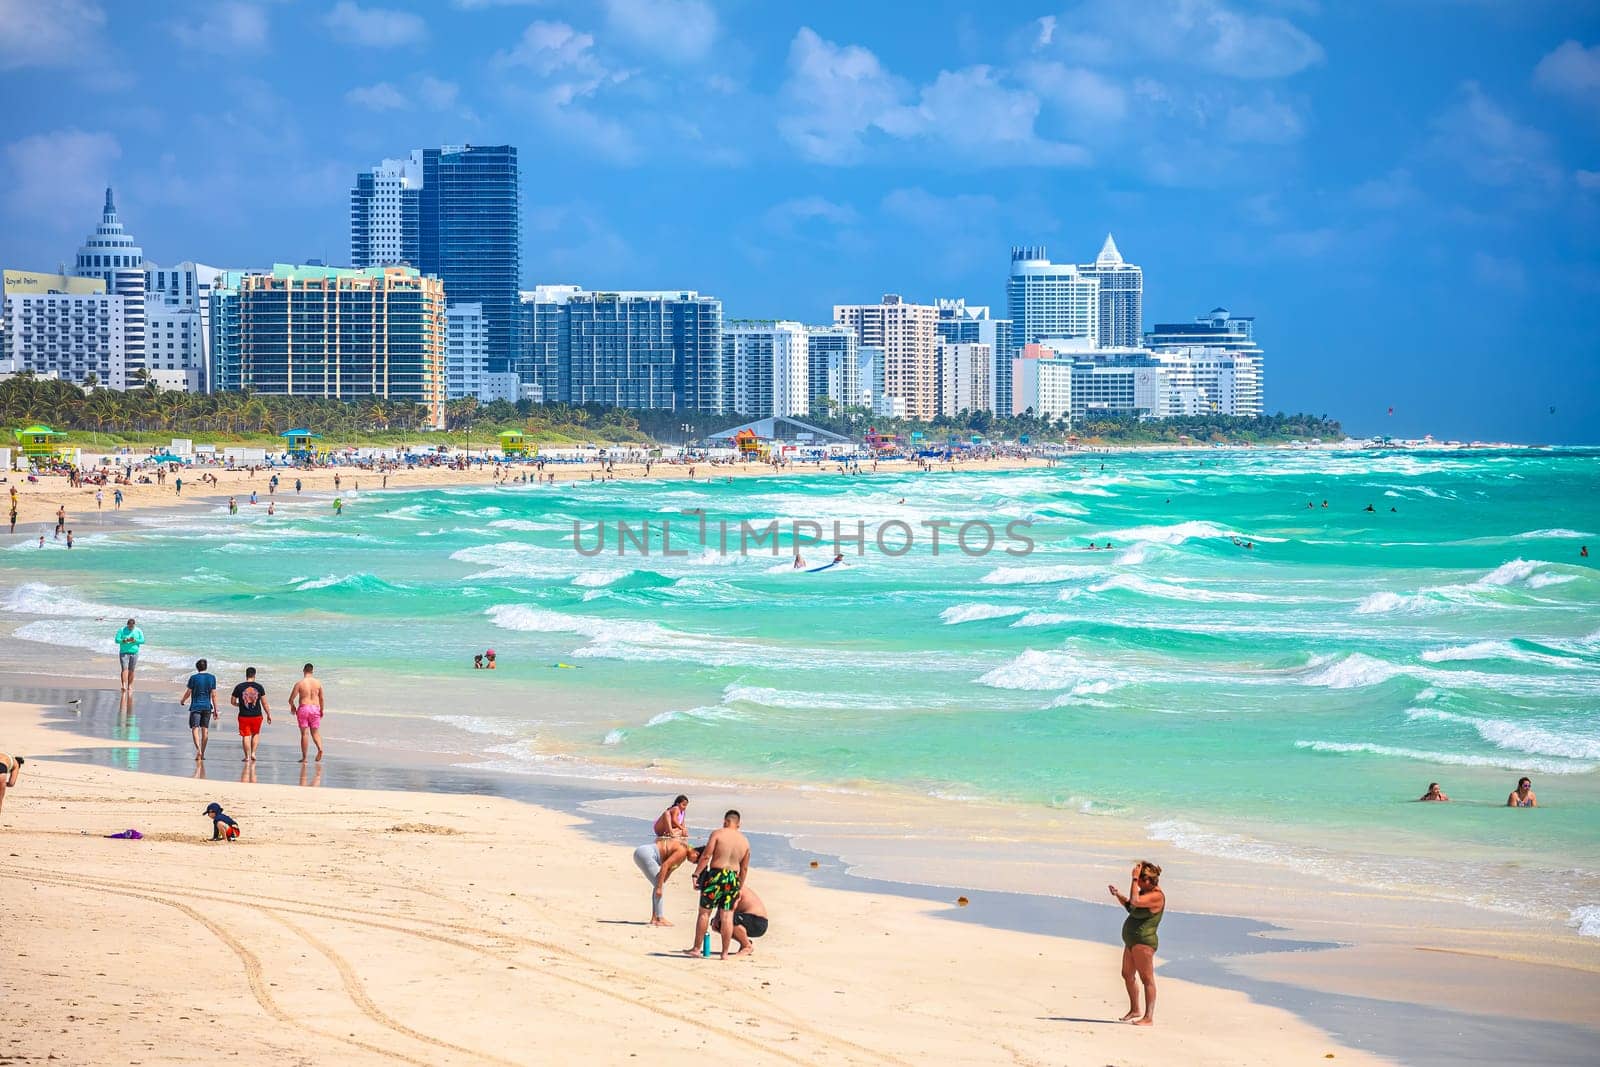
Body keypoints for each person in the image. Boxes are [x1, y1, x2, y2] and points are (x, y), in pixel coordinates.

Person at [684, 810, 750, 960]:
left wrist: (696, 874)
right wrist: (739, 887)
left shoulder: (718, 834)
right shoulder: (745, 842)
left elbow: (706, 855)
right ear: (738, 824)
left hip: (716, 875)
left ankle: (696, 949)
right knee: (727, 916)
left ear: (725, 821)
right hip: (733, 878)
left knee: (704, 913)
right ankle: (724, 953)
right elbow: (744, 868)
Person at [1108, 860, 1165, 1026]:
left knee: (1147, 979)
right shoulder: (1143, 893)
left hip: (1144, 942)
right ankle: (1135, 1009)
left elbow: (1135, 902)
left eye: (1139, 881)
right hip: (1132, 941)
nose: (1137, 884)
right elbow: (1130, 907)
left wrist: (1133, 879)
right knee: (1127, 974)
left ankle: (1149, 1017)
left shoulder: (1156, 896)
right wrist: (1118, 894)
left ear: (1146, 880)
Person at [632, 838, 700, 926]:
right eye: (696, 861)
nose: (694, 863)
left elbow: (669, 870)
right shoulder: (682, 851)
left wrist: (661, 883)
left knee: (659, 883)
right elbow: (665, 865)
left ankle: (654, 918)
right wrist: (660, 886)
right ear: (696, 853)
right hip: (647, 854)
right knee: (658, 884)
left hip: (643, 851)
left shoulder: (683, 852)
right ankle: (659, 918)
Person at [181, 658, 220, 761]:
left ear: (197, 667)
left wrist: (183, 700)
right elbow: (214, 695)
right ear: (206, 667)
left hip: (195, 707)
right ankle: (202, 753)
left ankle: (198, 749)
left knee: (195, 728)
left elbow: (188, 692)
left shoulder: (193, 678)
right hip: (207, 707)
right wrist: (216, 710)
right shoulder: (212, 678)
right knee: (205, 730)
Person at [231, 667, 271, 763]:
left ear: (246, 675)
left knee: (245, 735)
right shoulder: (259, 687)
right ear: (254, 675)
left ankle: (247, 757)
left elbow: (232, 701)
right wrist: (268, 714)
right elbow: (264, 703)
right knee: (255, 734)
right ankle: (253, 753)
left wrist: (239, 705)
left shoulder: (239, 687)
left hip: (243, 715)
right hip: (257, 715)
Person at [289, 663, 325, 763]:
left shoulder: (300, 683)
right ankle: (320, 748)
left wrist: (292, 706)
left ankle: (304, 758)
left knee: (304, 734)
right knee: (315, 733)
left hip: (304, 709)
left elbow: (291, 699)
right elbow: (321, 698)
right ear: (312, 671)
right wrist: (321, 710)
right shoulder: (318, 683)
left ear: (304, 670)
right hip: (315, 709)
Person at [728, 883, 768, 957]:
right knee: (718, 923)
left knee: (727, 920)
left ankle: (747, 946)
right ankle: (745, 942)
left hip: (758, 921)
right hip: (750, 918)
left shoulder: (733, 885)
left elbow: (731, 908)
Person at [115, 618, 144, 692]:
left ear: (134, 625)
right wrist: (123, 640)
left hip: (134, 652)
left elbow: (143, 640)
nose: (131, 628)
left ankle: (130, 685)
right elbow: (117, 640)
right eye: (129, 626)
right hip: (123, 652)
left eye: (132, 626)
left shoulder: (138, 631)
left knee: (132, 670)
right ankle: (124, 685)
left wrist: (135, 640)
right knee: (124, 669)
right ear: (127, 625)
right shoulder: (121, 630)